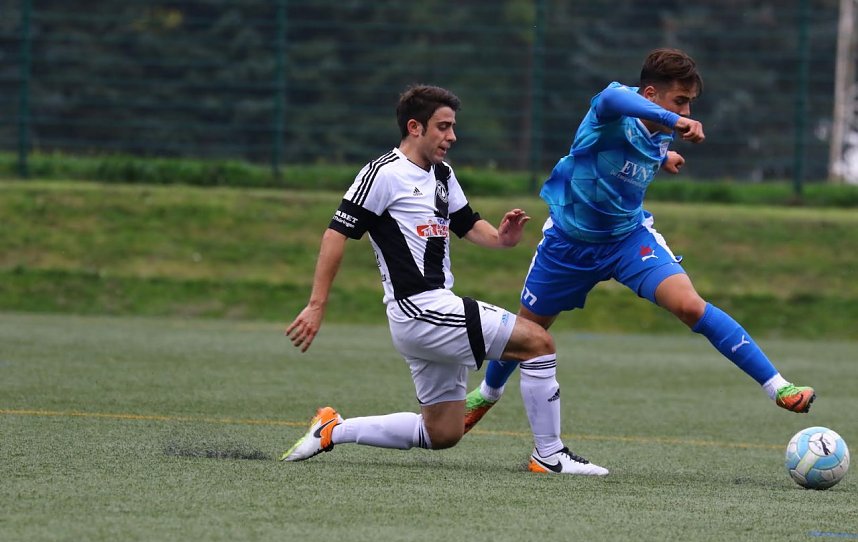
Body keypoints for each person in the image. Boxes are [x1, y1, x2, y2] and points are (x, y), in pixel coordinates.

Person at [464, 48, 816, 433]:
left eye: (689, 104)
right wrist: (674, 120)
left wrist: (664, 158)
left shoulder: (660, 130)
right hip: (568, 244)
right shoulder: (614, 106)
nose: (684, 111)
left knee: (691, 306)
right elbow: (614, 99)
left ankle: (778, 387)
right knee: (529, 331)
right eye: (679, 101)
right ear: (650, 95)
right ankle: (486, 395)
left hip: (627, 240)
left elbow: (636, 149)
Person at [281, 84, 608, 475]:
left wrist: (501, 238)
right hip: (419, 309)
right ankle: (550, 456)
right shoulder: (382, 174)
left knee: (443, 432)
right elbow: (336, 234)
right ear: (415, 127)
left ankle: (333, 429)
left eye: (453, 127)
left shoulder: (442, 174)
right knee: (538, 342)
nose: (452, 137)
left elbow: (467, 224)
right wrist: (316, 305)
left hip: (432, 309)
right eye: (444, 127)